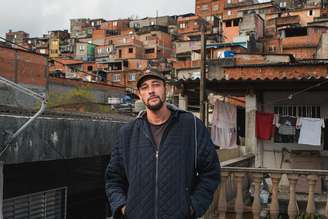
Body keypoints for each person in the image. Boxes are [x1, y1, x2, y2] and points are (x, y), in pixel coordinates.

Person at [105, 70, 221, 219]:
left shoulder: (192, 126)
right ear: (140, 95)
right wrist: (123, 207)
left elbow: (210, 173)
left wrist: (192, 207)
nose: (151, 91)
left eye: (156, 85)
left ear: (167, 89)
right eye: (145, 87)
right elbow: (113, 178)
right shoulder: (127, 133)